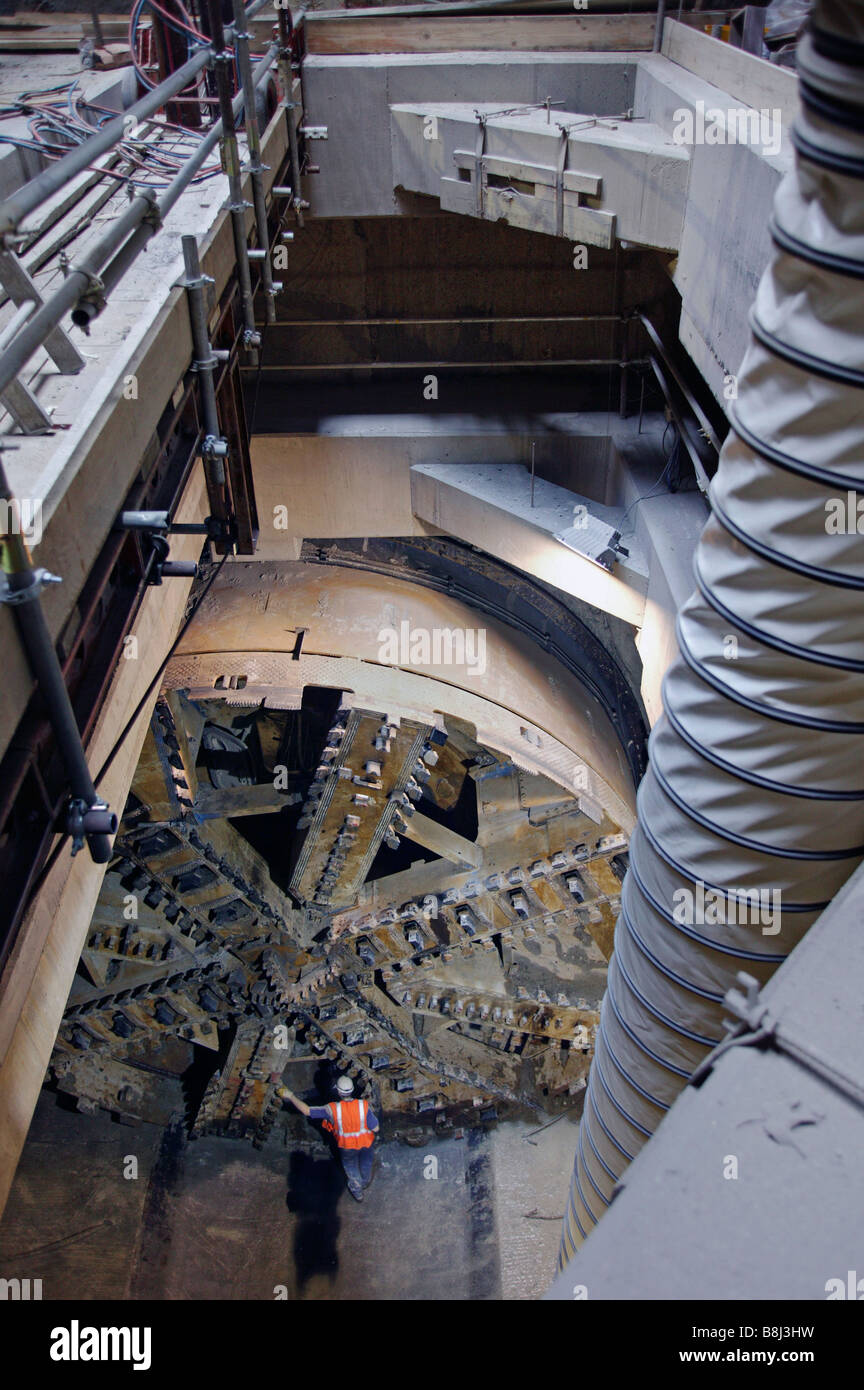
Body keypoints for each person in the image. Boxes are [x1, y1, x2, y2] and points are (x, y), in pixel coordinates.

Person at [276, 1073, 379, 1201]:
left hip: (347, 1148)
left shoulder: (332, 1109)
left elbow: (307, 1111)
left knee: (352, 1171)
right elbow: (376, 1128)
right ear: (352, 1090)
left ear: (338, 1092)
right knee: (366, 1166)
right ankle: (365, 1182)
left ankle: (358, 1192)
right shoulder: (363, 1105)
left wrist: (290, 1096)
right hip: (367, 1145)